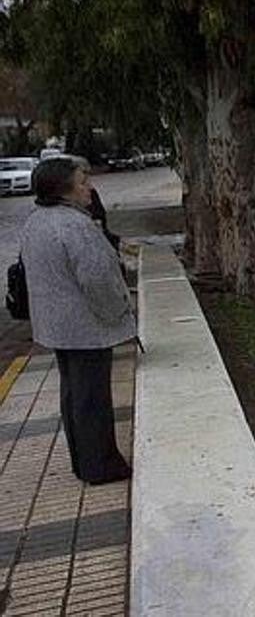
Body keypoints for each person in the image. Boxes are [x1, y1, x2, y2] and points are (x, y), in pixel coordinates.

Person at [20, 156, 134, 484]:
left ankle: (84, 462)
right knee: (92, 399)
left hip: (56, 326)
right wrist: (119, 314)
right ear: (64, 189)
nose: (90, 187)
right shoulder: (75, 226)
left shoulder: (37, 221)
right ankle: (101, 466)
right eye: (83, 182)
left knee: (74, 397)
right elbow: (99, 281)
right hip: (85, 327)